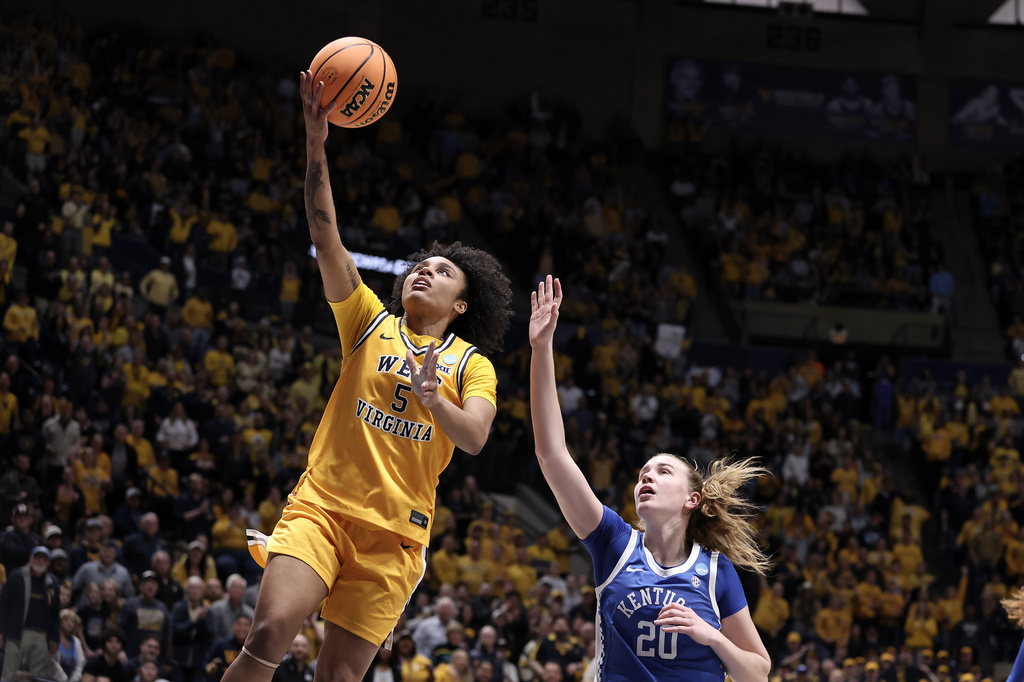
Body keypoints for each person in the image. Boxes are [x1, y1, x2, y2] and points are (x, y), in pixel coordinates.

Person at [222, 71, 512, 682]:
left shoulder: (472, 365)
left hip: (396, 539)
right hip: (323, 508)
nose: (423, 274)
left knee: (338, 678)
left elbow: (476, 437)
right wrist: (315, 142)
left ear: (462, 305)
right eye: (419, 268)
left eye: (441, 272)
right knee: (271, 631)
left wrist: (435, 399)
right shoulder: (366, 322)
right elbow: (324, 236)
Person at [528, 275, 771, 682]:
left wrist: (711, 637)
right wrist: (542, 348)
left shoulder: (716, 571)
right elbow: (552, 454)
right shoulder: (614, 543)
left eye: (662, 471)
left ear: (692, 499)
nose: (647, 477)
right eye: (643, 472)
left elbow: (758, 673)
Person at [0, 546, 66, 682]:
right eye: (37, 558)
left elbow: (55, 612)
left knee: (37, 675)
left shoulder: (52, 581)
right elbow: (3, 605)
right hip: (16, 633)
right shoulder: (17, 576)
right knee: (9, 673)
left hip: (41, 634)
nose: (40, 561)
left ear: (49, 563)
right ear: (31, 559)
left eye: (44, 559)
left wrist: (54, 637)